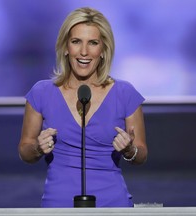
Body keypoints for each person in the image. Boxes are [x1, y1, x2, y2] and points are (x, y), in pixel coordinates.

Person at [18, 7, 148, 207]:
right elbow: (25, 150)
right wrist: (37, 148)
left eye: (93, 43)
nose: (84, 52)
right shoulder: (42, 92)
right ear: (65, 47)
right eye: (76, 41)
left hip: (112, 205)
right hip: (58, 205)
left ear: (104, 50)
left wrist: (130, 150)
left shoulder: (124, 93)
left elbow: (142, 153)